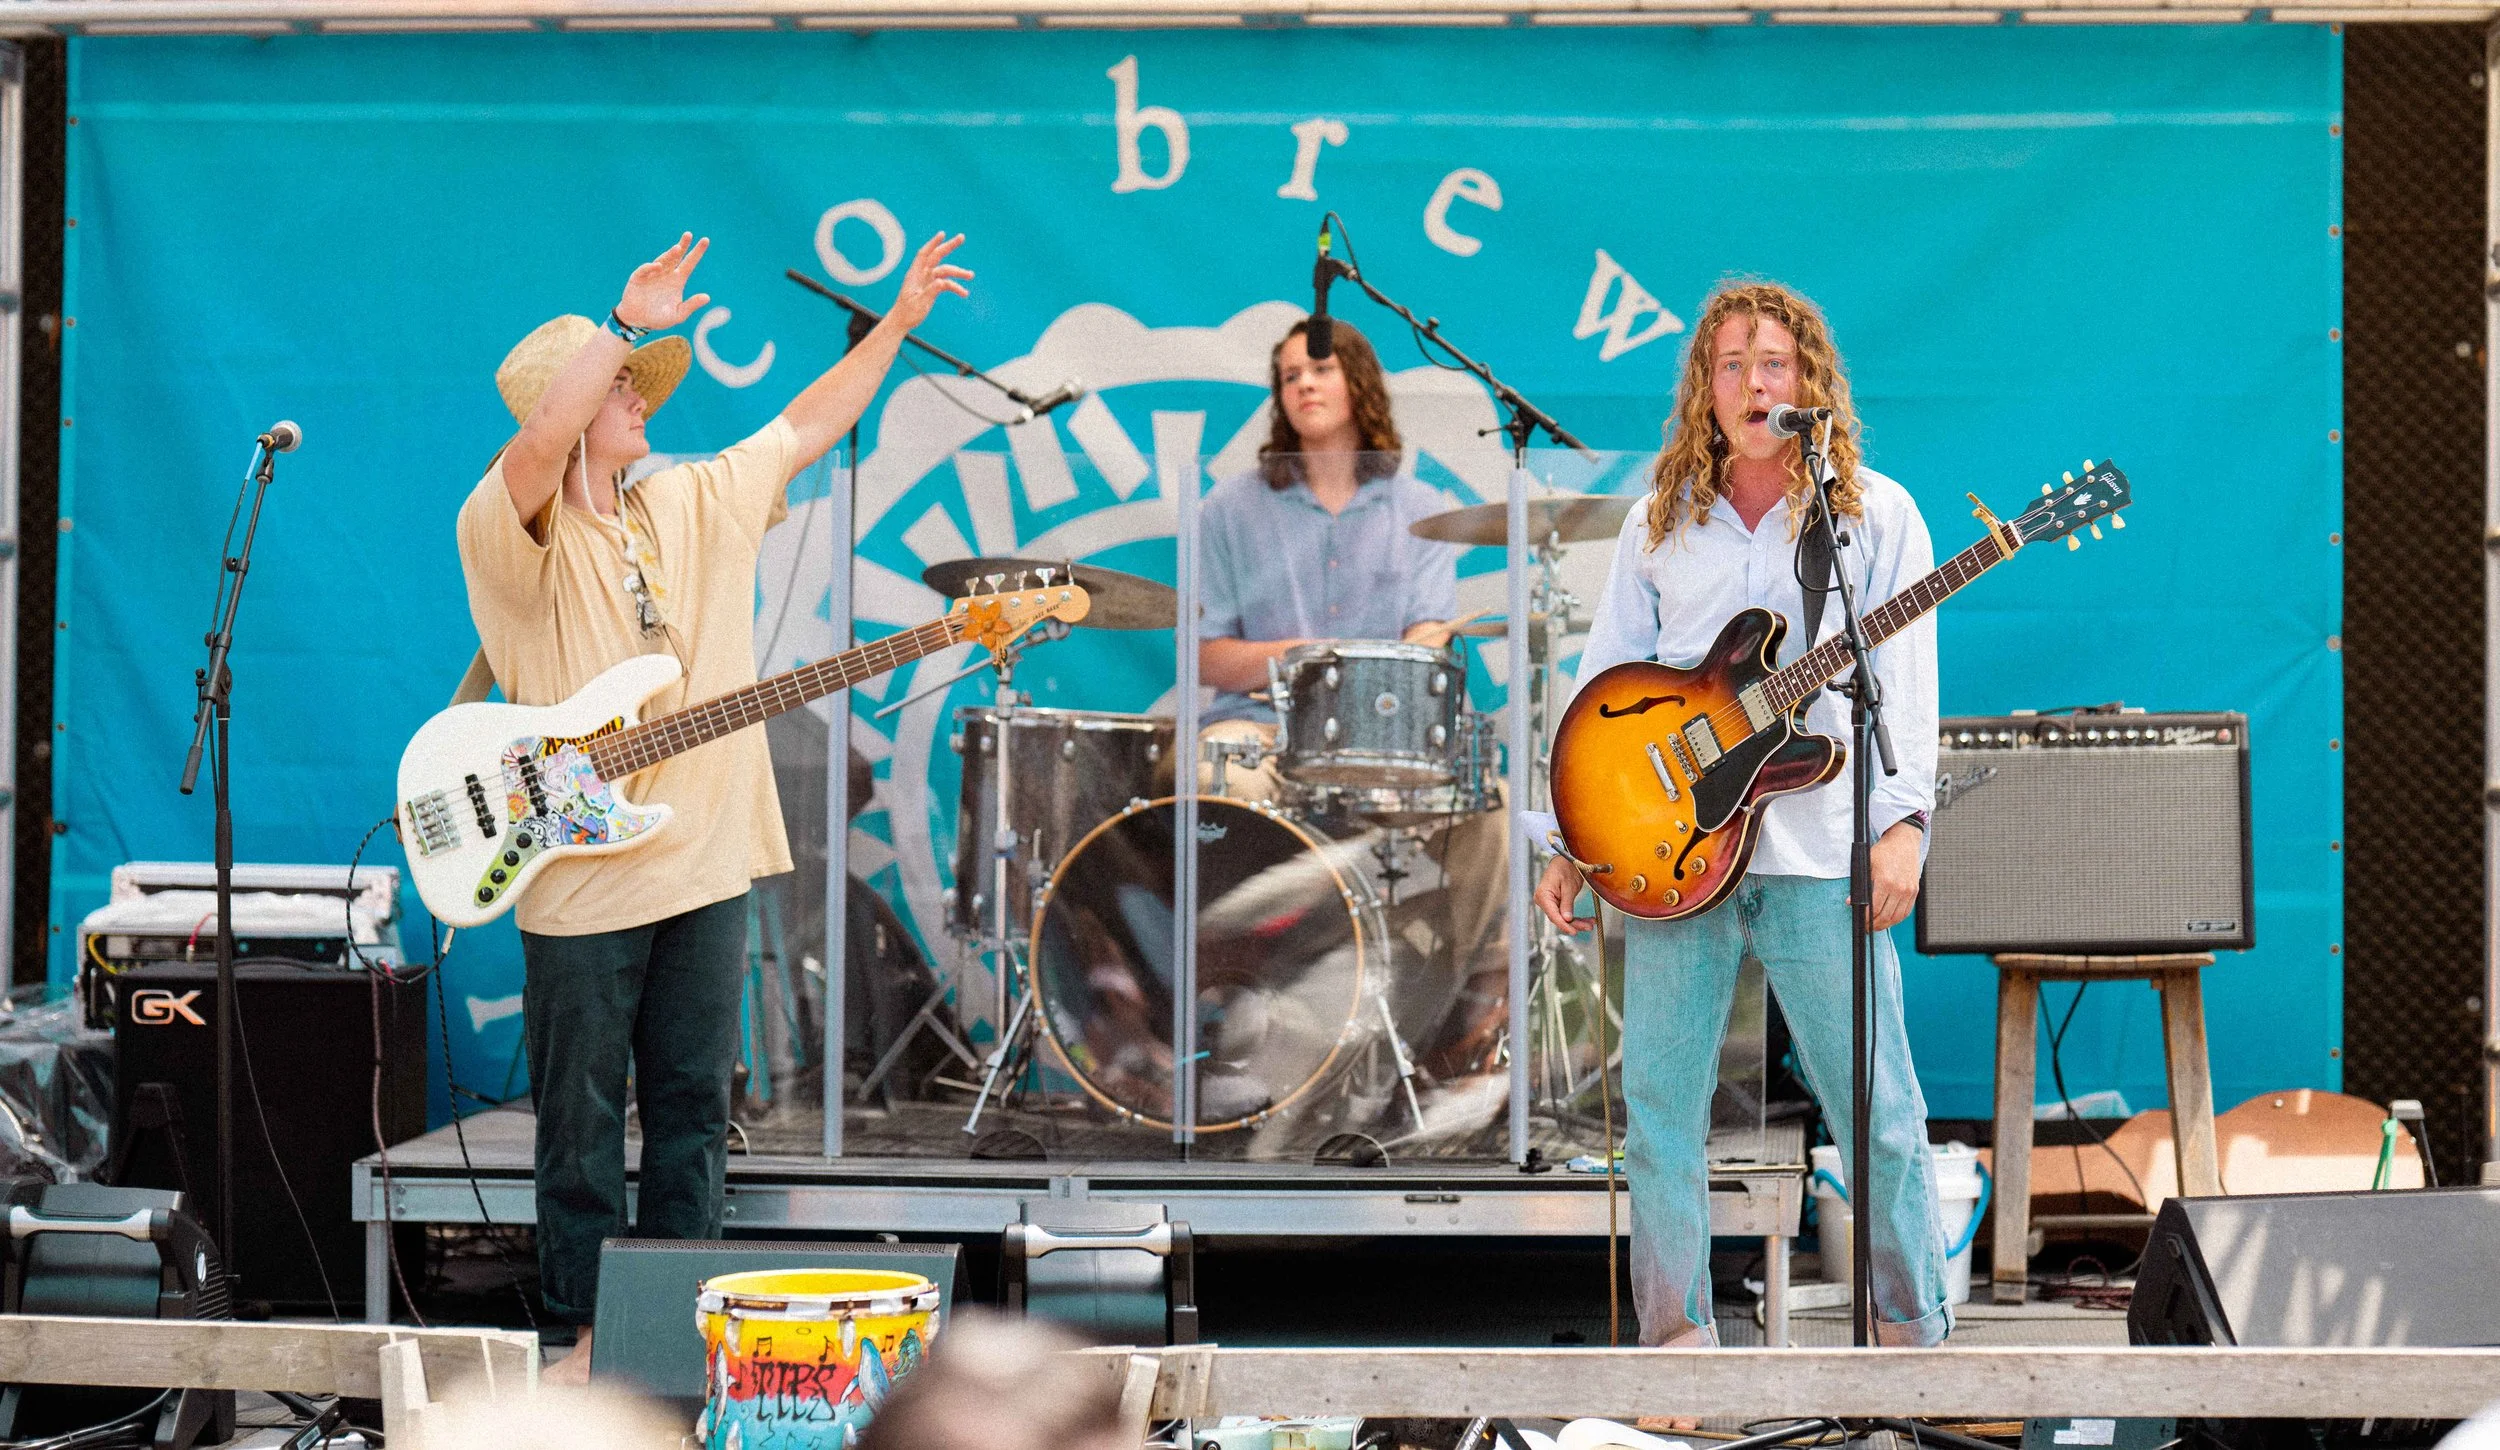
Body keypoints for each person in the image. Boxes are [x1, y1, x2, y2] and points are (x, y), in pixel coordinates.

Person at [456, 229, 970, 1379]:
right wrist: (621, 327)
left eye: (637, 381)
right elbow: (537, 446)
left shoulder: (690, 500)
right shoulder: (506, 524)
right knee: (582, 1121)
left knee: (695, 1109)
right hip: (581, 879)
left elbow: (807, 423)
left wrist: (895, 324)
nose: (640, 398)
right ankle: (583, 1343)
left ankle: (682, 1341)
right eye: (619, 387)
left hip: (704, 861)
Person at [1533, 280, 1951, 1347]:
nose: (1753, 384)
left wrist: (1902, 825)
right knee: (1660, 1115)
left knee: (1879, 1111)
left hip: (1821, 851)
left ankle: (1913, 1339)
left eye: (1773, 363)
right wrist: (1575, 841)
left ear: (1808, 381)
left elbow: (1905, 682)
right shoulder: (1658, 520)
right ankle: (1678, 1350)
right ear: (1705, 388)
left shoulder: (1873, 515)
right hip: (1676, 855)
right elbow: (1603, 690)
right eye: (1731, 365)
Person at [1195, 317, 1468, 800]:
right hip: (1260, 729)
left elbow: (1429, 639)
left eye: (1321, 369)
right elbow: (1204, 658)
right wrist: (1306, 658)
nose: (1304, 384)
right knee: (1221, 780)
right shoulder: (1228, 507)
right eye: (1290, 376)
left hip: (1385, 733)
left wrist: (1360, 684)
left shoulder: (1420, 508)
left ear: (1360, 384)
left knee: (1490, 809)